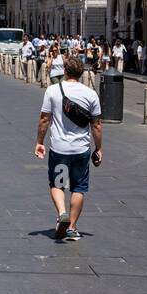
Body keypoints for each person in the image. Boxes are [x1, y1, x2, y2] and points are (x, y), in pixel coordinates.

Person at [35, 56, 103, 242]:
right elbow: (96, 125)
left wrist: (40, 141)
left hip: (59, 149)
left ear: (65, 71)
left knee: (58, 184)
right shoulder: (90, 94)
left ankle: (62, 213)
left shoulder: (53, 91)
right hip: (81, 150)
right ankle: (72, 228)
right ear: (82, 73)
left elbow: (44, 119)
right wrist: (98, 148)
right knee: (79, 187)